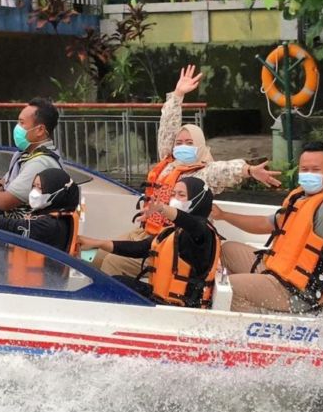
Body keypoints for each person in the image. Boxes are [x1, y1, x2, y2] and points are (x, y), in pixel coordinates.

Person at [94, 65, 281, 277]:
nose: (182, 146)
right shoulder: (168, 162)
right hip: (145, 231)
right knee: (99, 254)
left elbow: (224, 170)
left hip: (173, 239)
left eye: (189, 142)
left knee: (113, 263)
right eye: (179, 142)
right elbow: (167, 129)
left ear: (199, 146)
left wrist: (248, 170)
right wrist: (177, 96)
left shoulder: (202, 174)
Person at [211, 140, 323, 314]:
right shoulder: (299, 198)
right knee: (225, 250)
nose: (309, 174)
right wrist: (224, 216)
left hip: (296, 292)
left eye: (315, 170)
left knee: (232, 287)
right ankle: (248, 300)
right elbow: (265, 224)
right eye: (305, 169)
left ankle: (251, 330)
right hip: (274, 269)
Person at [77, 176, 220, 307]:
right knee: (115, 282)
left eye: (181, 195)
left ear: (198, 200)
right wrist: (98, 243)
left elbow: (191, 223)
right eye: (173, 194)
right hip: (158, 295)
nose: (175, 199)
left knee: (113, 286)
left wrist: (162, 208)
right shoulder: (174, 230)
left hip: (181, 305)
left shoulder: (202, 233)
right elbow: (141, 248)